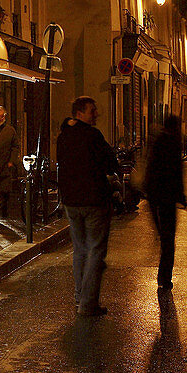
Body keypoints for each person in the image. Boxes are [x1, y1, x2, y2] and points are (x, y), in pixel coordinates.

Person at [56, 96, 118, 317]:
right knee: (96, 251)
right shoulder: (93, 136)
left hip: (71, 201)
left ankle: (79, 295)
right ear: (80, 113)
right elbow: (110, 163)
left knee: (80, 249)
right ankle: (87, 303)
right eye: (93, 110)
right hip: (93, 200)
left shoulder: (63, 137)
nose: (97, 114)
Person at [144, 114, 187, 291]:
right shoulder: (174, 143)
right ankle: (165, 278)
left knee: (164, 237)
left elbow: (150, 167)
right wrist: (182, 196)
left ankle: (162, 276)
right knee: (168, 239)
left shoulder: (157, 141)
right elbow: (177, 172)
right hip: (167, 197)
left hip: (154, 195)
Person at [0, 106, 19, 216]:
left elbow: (15, 146)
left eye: (2, 116)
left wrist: (11, 161)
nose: (0, 118)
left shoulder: (10, 130)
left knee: (5, 191)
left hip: (5, 165)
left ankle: (4, 213)